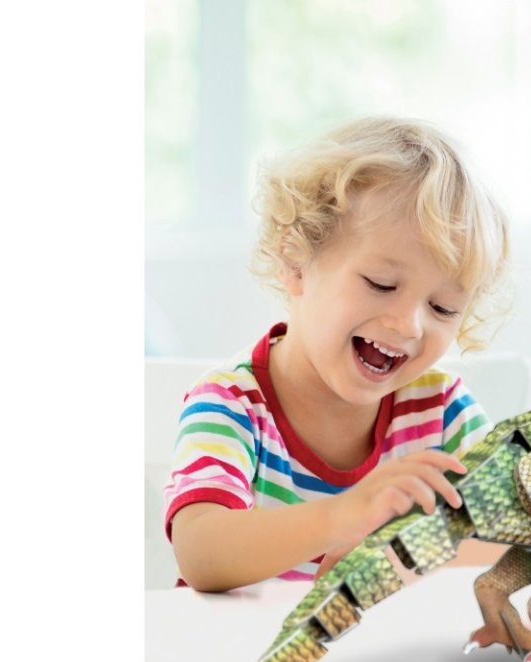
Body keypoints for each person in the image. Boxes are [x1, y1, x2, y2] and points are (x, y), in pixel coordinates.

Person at [164, 117, 511, 592]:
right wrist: (344, 515)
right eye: (381, 284)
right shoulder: (231, 404)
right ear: (296, 262)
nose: (409, 325)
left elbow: (513, 543)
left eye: (443, 308)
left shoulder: (443, 412)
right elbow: (201, 553)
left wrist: (403, 560)